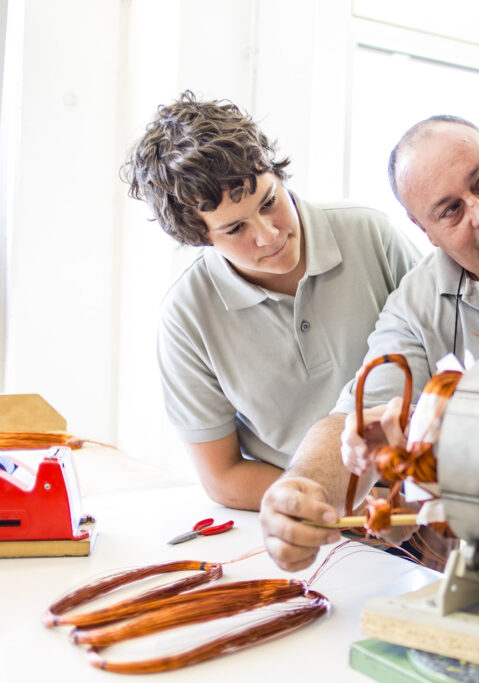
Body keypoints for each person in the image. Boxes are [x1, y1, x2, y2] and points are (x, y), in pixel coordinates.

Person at [258, 115, 479, 572]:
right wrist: (302, 490)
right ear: (423, 230)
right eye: (450, 211)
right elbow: (358, 418)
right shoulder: (416, 305)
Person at [121, 91, 418, 511]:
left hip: (424, 489)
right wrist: (339, 504)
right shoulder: (187, 316)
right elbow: (223, 476)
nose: (268, 235)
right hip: (314, 517)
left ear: (277, 175)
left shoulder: (371, 234)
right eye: (235, 229)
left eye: (269, 202)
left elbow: (447, 349)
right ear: (200, 237)